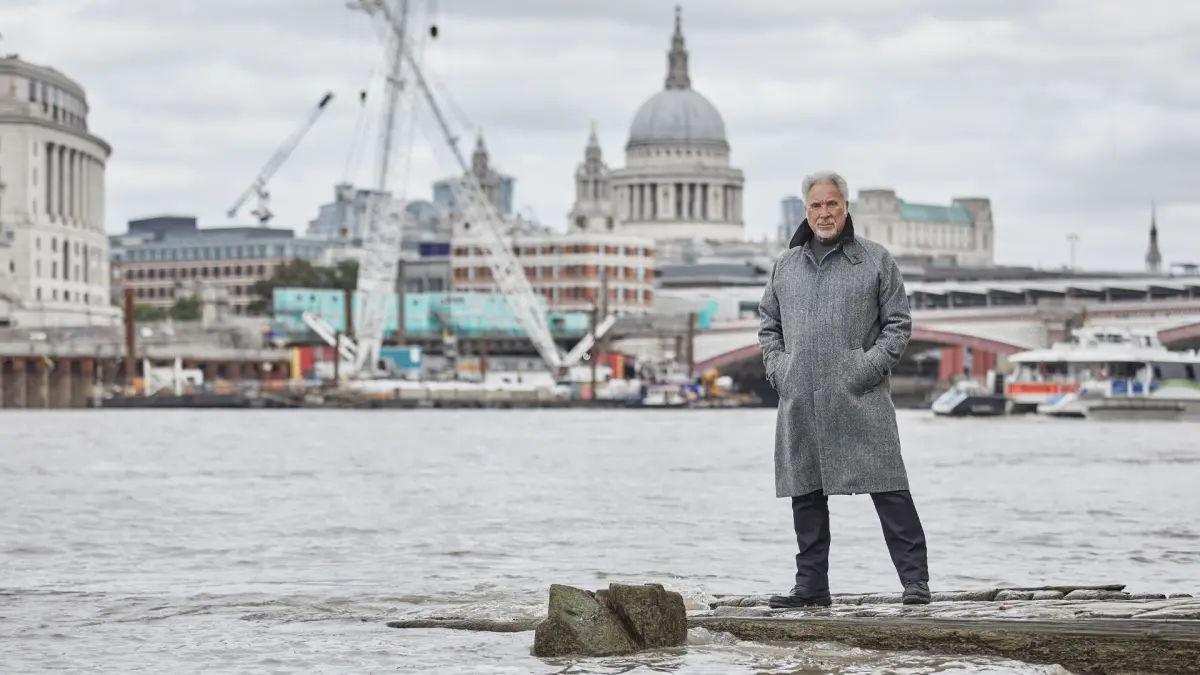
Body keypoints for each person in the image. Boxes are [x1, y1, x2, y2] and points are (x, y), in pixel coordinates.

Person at [757, 170, 931, 608]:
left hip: (860, 396)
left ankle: (916, 582)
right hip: (801, 397)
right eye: (816, 205)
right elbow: (767, 326)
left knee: (890, 488)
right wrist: (783, 371)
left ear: (846, 207)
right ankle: (811, 587)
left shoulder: (875, 259)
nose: (824, 212)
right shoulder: (785, 265)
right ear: (806, 211)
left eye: (832, 203)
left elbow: (898, 323)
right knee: (806, 494)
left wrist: (865, 368)